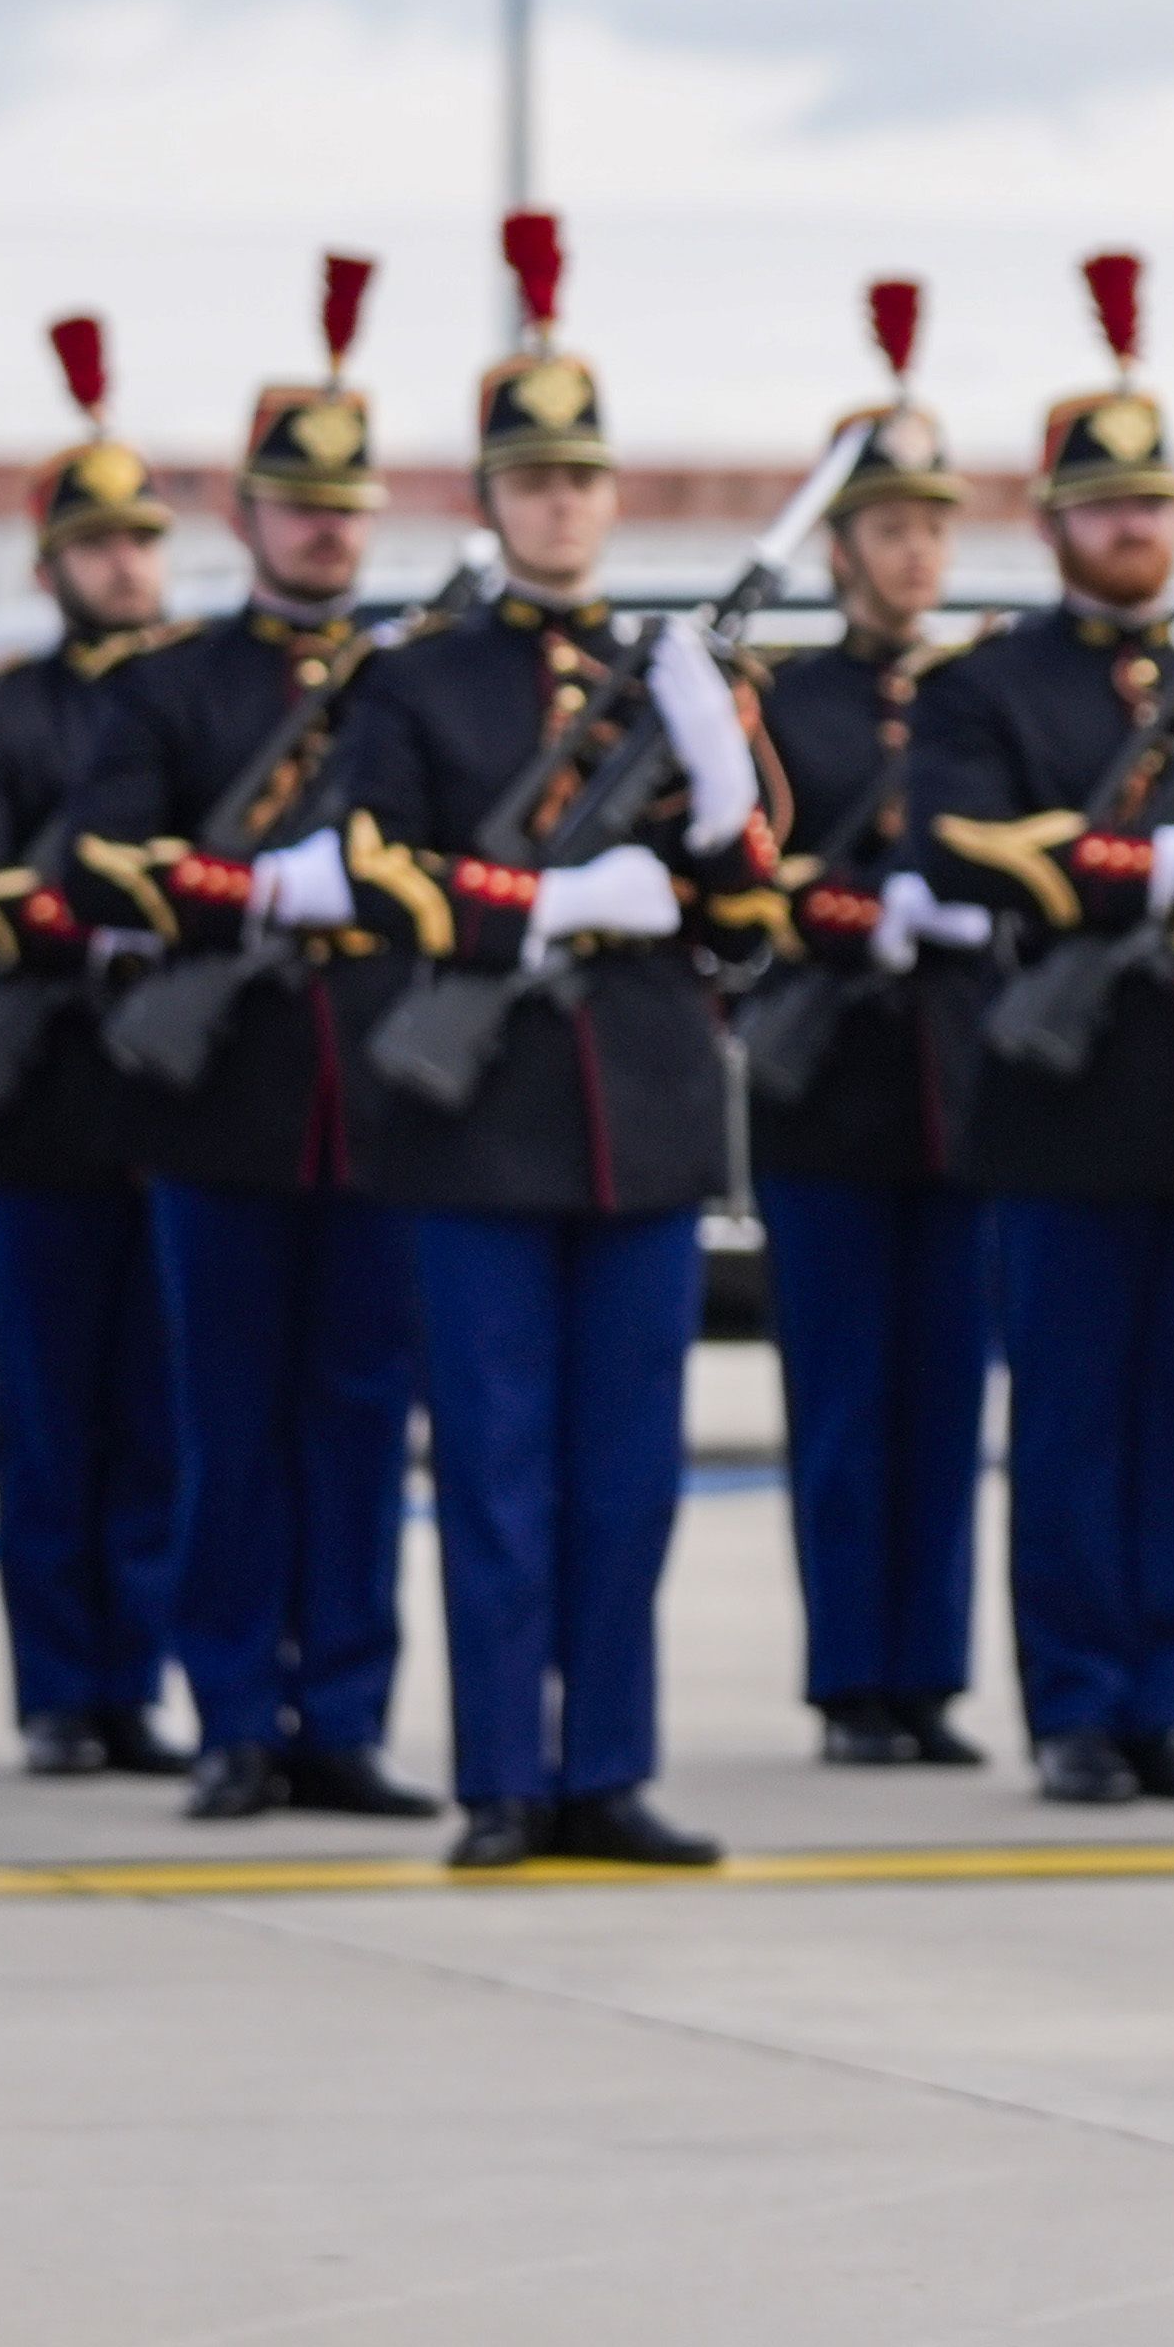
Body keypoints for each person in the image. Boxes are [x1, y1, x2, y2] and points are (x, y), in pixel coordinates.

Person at [336, 212, 760, 1871]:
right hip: (485, 1124)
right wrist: (552, 907)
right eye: (533, 481)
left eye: (583, 478)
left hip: (642, 1122)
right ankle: (506, 1773)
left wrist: (716, 809)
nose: (561, 503)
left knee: (626, 1481)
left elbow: (740, 908)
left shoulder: (674, 680)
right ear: (489, 499)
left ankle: (614, 1767)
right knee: (500, 1471)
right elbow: (378, 877)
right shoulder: (421, 684)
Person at [61, 253, 437, 1827]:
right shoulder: (178, 689)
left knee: (358, 1427)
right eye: (298, 504)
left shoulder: (419, 683)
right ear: (245, 518)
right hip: (224, 1102)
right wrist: (260, 894)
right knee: (226, 1428)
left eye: (346, 505)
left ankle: (340, 1712)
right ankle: (229, 1713)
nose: (326, 529)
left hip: (385, 1100)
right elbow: (101, 862)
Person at [907, 254, 1174, 1813]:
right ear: (1052, 522)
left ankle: (1162, 1699)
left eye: (1155, 504)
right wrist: (1138, 869)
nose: (1137, 527)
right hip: (1064, 1107)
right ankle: (1073, 1708)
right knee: (1067, 1430)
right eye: (1107, 504)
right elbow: (949, 843)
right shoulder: (990, 688)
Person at [0, 317, 183, 1785]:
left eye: (140, 542)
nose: (124, 568)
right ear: (49, 567)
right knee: (49, 1419)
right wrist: (90, 913)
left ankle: (134, 1680)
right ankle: (56, 1691)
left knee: (155, 1417)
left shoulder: (199, 700)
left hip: (176, 1097)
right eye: (97, 547)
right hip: (45, 1095)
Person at [748, 281, 994, 1772]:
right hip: (830, 1087)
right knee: (845, 1400)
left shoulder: (976, 697)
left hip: (957, 1088)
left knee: (946, 1397)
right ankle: (853, 1677)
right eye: (890, 529)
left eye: (933, 528)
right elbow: (764, 869)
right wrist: (864, 913)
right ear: (838, 548)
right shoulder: (785, 702)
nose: (916, 553)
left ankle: (931, 1676)